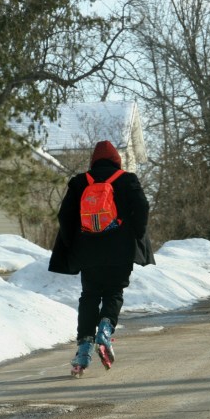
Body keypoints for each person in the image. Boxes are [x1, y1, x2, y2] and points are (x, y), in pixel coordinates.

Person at [49, 140, 154, 376]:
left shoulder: (79, 182)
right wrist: (136, 233)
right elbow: (143, 207)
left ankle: (84, 347)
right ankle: (105, 330)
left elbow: (64, 216)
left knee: (89, 295)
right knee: (114, 292)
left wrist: (71, 242)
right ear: (117, 160)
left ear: (93, 161)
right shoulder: (127, 180)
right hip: (120, 250)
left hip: (87, 251)